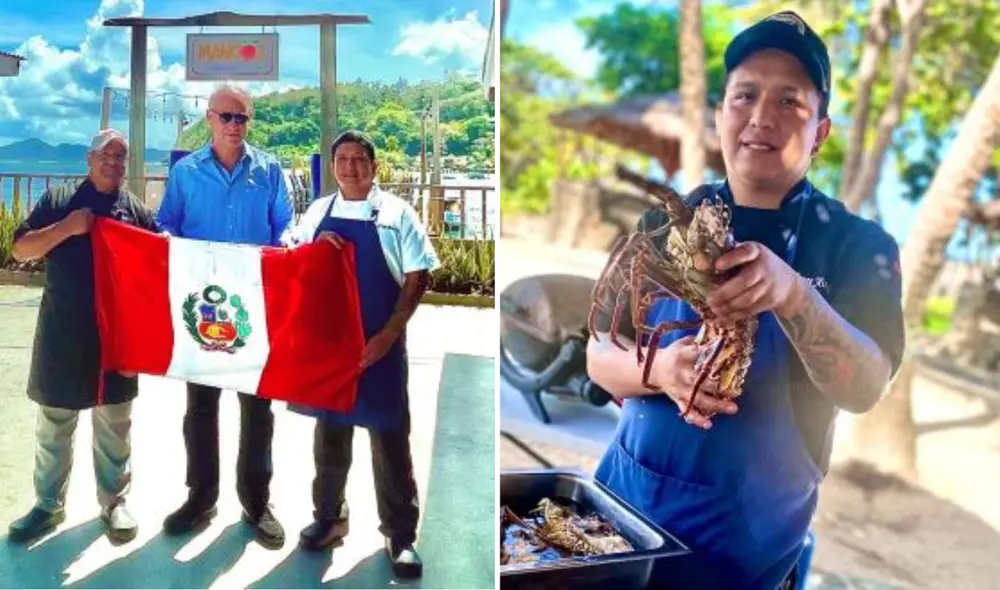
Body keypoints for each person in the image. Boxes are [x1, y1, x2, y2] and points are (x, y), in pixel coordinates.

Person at [587, 12, 905, 590]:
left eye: (790, 102)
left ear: (822, 133)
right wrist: (662, 370)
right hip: (617, 527)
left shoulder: (858, 246)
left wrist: (792, 294)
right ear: (720, 113)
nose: (761, 117)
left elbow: (865, 388)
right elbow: (598, 353)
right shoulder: (665, 220)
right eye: (745, 95)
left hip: (744, 557)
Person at [286, 130, 439, 579]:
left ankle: (400, 535)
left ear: (374, 167)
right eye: (342, 159)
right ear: (332, 167)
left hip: (380, 345)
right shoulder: (318, 212)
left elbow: (417, 276)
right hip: (331, 345)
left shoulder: (396, 214)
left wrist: (390, 334)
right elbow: (290, 256)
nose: (350, 167)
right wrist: (313, 248)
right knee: (330, 436)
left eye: (359, 160)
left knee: (390, 440)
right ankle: (329, 518)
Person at [156, 85, 294, 549]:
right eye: (227, 117)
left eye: (243, 118)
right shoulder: (185, 172)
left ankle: (257, 502)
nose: (235, 126)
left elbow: (285, 228)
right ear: (209, 118)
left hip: (254, 306)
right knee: (200, 408)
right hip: (203, 307)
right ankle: (201, 497)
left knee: (258, 409)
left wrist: (293, 246)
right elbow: (167, 224)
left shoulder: (270, 169)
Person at [8, 129, 159, 544]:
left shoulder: (136, 212)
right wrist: (68, 228)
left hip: (117, 338)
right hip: (63, 330)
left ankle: (114, 501)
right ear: (89, 160)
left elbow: (159, 269)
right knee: (54, 424)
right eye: (106, 155)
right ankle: (47, 505)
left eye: (121, 156)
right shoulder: (58, 202)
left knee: (115, 424)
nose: (113, 162)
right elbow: (21, 249)